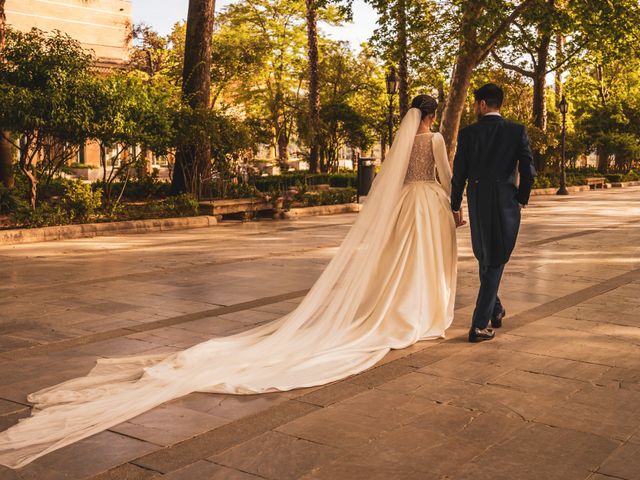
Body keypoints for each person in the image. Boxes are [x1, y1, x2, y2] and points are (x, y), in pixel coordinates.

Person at [0, 96, 460, 469]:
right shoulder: (437, 139)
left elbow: (390, 180)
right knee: (420, 258)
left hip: (403, 204)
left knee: (397, 258)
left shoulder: (399, 146)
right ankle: (414, 309)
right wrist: (452, 202)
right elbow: (445, 173)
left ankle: (396, 304)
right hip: (427, 203)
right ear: (433, 116)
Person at [451, 83, 536, 343]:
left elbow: (459, 174)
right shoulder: (516, 131)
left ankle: (494, 310)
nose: (475, 108)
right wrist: (521, 199)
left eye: (476, 104)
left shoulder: (467, 134)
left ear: (483, 104)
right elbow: (529, 171)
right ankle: (479, 325)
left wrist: (455, 204)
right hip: (505, 203)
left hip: (478, 201)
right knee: (493, 259)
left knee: (488, 258)